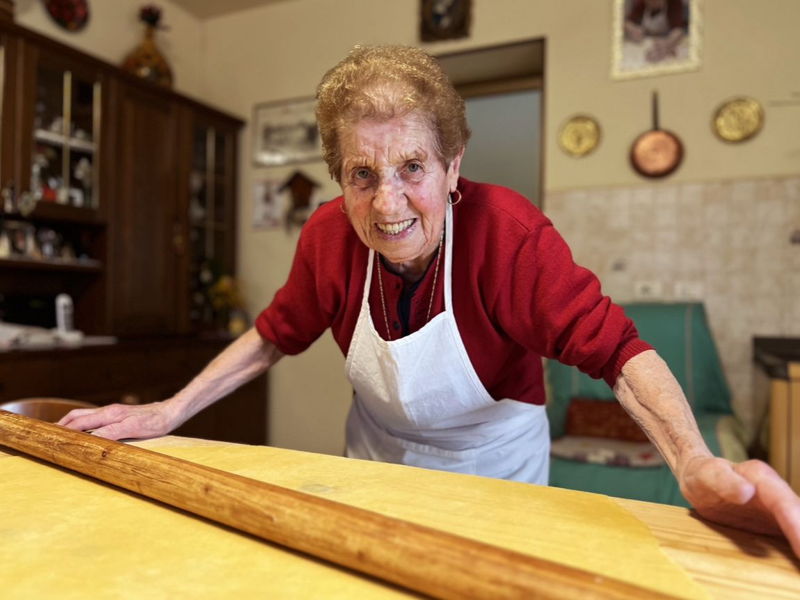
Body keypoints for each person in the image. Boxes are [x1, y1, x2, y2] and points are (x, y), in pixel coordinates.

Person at [59, 44, 800, 557]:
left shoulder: (508, 234)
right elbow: (274, 334)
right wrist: (167, 412)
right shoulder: (327, 237)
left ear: (452, 166)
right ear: (339, 180)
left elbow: (618, 352)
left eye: (412, 167)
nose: (388, 205)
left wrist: (692, 461)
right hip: (374, 463)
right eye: (362, 175)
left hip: (496, 474)